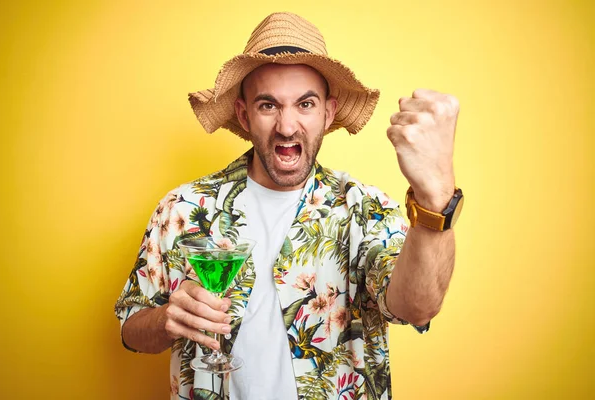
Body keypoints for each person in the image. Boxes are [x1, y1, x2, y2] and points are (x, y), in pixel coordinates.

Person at [115, 11, 463, 400]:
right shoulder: (183, 208)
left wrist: (436, 201)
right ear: (244, 115)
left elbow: (416, 308)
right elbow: (131, 327)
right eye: (268, 106)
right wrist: (166, 320)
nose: (286, 126)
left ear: (328, 113)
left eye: (305, 104)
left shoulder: (364, 208)